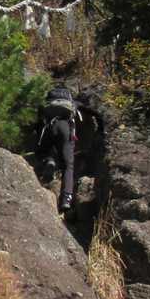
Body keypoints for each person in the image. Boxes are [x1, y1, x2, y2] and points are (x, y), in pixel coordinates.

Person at [36, 84, 89, 212]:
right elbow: (88, 110)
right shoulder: (73, 103)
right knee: (68, 166)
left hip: (49, 127)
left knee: (45, 149)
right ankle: (66, 199)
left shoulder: (48, 104)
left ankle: (50, 161)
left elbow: (38, 120)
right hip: (66, 129)